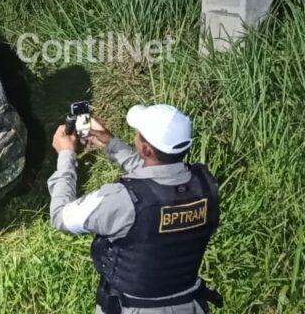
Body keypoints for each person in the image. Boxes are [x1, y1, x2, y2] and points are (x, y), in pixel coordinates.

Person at [47, 104, 223, 314]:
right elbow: (159, 178)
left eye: (137, 136)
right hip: (190, 305)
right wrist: (109, 142)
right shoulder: (205, 187)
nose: (135, 138)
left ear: (146, 149)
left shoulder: (122, 201)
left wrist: (66, 155)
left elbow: (60, 216)